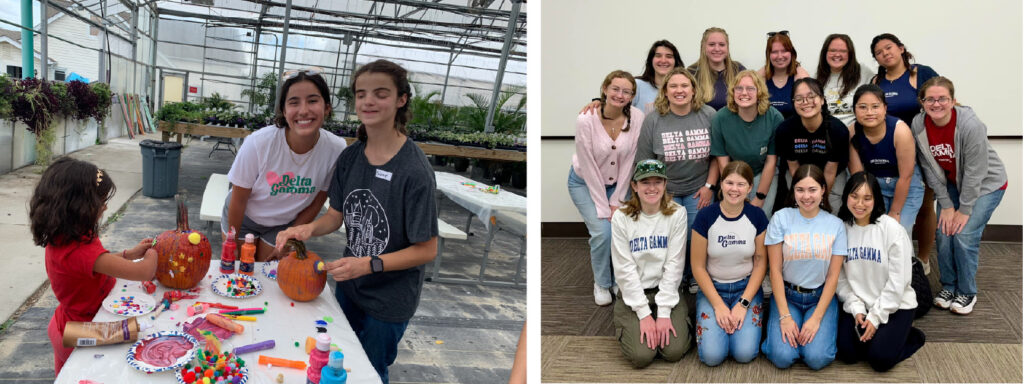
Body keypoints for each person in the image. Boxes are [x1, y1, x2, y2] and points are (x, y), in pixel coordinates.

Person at [276, 59, 438, 384]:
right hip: (349, 287)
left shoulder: (414, 170)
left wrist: (370, 264)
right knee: (340, 364)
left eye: (380, 93)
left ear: (401, 99)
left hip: (389, 300)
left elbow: (426, 249)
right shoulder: (351, 158)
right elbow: (336, 216)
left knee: (370, 373)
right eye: (361, 94)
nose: (368, 101)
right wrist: (306, 228)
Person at [29, 157, 158, 374]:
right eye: (101, 201)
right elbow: (144, 271)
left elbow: (96, 264)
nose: (106, 206)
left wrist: (128, 254)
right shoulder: (80, 250)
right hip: (83, 332)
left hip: (65, 324)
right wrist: (155, 249)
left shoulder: (65, 236)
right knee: (142, 335)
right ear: (80, 207)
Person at [223, 67, 348, 261]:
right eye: (294, 102)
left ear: (327, 107)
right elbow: (239, 199)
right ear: (283, 110)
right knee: (240, 272)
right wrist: (231, 242)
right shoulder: (259, 143)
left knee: (271, 275)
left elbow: (318, 199)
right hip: (244, 216)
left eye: (313, 100)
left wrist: (292, 236)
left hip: (285, 224)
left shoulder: (336, 149)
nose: (304, 110)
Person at [911, 77, 1007, 315]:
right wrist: (945, 204)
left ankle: (966, 292)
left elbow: (976, 173)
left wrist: (963, 210)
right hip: (954, 184)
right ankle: (949, 286)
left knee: (963, 236)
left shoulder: (969, 125)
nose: (936, 104)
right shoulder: (918, 124)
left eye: (942, 98)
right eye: (930, 99)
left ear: (952, 100)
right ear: (922, 102)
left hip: (986, 185)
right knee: (944, 233)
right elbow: (930, 169)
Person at [634, 67, 718, 294]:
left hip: (698, 189)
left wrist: (709, 187)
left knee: (695, 235)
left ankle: (693, 275)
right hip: (664, 191)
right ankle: (674, 278)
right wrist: (654, 194)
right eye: (673, 86)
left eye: (684, 86)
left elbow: (717, 157)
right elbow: (644, 162)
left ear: (693, 90)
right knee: (670, 237)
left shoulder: (709, 115)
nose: (679, 90)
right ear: (666, 91)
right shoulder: (653, 120)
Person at [568, 70, 645, 306]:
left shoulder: (637, 117)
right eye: (615, 89)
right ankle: (601, 282)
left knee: (621, 230)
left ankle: (617, 279)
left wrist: (617, 202)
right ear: (604, 89)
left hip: (618, 186)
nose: (620, 95)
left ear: (632, 96)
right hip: (584, 183)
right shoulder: (586, 119)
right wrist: (604, 206)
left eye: (626, 92)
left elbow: (630, 161)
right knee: (602, 233)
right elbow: (589, 166)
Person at [835, 171, 926, 371]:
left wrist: (875, 318)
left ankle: (910, 335)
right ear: (846, 197)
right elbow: (840, 279)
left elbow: (898, 282)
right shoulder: (841, 229)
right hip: (861, 304)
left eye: (867, 198)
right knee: (847, 353)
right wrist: (856, 308)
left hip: (895, 304)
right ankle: (885, 335)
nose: (860, 204)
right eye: (854, 196)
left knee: (879, 359)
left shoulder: (891, 229)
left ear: (875, 200)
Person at [761, 164, 846, 370]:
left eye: (812, 190)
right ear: (793, 191)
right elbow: (775, 272)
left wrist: (816, 318)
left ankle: (809, 336)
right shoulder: (781, 218)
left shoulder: (835, 225)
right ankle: (778, 337)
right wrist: (784, 316)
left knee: (817, 358)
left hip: (819, 297)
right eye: (800, 190)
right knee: (782, 357)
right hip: (788, 295)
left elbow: (834, 276)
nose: (806, 196)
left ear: (823, 190)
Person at [869, 33, 939, 275]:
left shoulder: (921, 73)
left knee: (926, 205)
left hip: (923, 150)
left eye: (889, 48)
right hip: (890, 151)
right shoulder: (877, 81)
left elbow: (941, 101)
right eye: (879, 52)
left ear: (900, 48)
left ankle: (923, 258)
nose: (885, 53)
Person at [611, 159, 691, 368]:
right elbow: (624, 270)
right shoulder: (621, 217)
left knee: (673, 351)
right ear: (635, 186)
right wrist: (645, 315)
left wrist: (663, 313)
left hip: (666, 290)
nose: (652, 188)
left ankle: (664, 319)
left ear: (665, 185)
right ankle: (631, 322)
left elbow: (674, 265)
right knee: (642, 356)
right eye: (645, 182)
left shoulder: (677, 213)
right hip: (634, 293)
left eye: (658, 181)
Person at [690, 161, 768, 366]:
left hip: (745, 288)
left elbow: (760, 263)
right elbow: (697, 266)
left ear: (750, 187)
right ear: (721, 184)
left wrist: (743, 304)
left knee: (744, 353)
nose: (734, 189)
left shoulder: (757, 216)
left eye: (741, 184)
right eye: (729, 183)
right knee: (712, 357)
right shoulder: (705, 216)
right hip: (713, 288)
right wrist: (718, 305)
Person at [847, 84, 924, 235]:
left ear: (885, 108)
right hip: (874, 184)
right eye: (862, 107)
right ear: (854, 109)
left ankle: (906, 259)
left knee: (899, 231)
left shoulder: (900, 131)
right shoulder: (852, 132)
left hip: (905, 184)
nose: (869, 112)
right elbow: (859, 177)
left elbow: (906, 175)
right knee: (874, 231)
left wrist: (895, 212)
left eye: (875, 106)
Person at [711, 70, 783, 216]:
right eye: (739, 88)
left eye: (750, 89)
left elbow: (771, 161)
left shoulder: (774, 117)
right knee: (735, 216)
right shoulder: (720, 118)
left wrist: (760, 197)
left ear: (759, 93)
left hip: (763, 172)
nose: (744, 93)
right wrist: (734, 190)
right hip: (733, 174)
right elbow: (722, 161)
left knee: (760, 217)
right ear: (733, 92)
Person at [773, 78, 849, 212]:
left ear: (822, 99)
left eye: (811, 96)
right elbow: (793, 166)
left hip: (831, 176)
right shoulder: (785, 130)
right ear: (794, 103)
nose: (805, 102)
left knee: (829, 213)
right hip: (798, 173)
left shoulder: (837, 130)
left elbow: (831, 170)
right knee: (799, 210)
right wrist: (804, 194)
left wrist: (821, 200)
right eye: (799, 98)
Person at [580, 40, 685, 115]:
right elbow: (616, 102)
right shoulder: (637, 85)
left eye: (669, 56)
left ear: (675, 61)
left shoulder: (682, 89)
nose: (663, 60)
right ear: (651, 60)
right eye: (658, 56)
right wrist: (599, 102)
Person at [815, 34, 873, 127]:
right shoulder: (816, 77)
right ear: (825, 53)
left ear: (850, 54)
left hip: (857, 132)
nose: (837, 54)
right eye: (832, 50)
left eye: (843, 51)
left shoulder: (863, 72)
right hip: (827, 133)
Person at [688, 27, 746, 110]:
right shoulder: (692, 72)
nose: (717, 49)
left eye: (722, 45)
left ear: (727, 47)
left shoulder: (738, 70)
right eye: (711, 44)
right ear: (703, 47)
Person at [755, 31, 810, 119]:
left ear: (791, 53)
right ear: (768, 55)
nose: (780, 56)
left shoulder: (801, 76)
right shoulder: (759, 77)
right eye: (774, 52)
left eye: (784, 51)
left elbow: (808, 112)